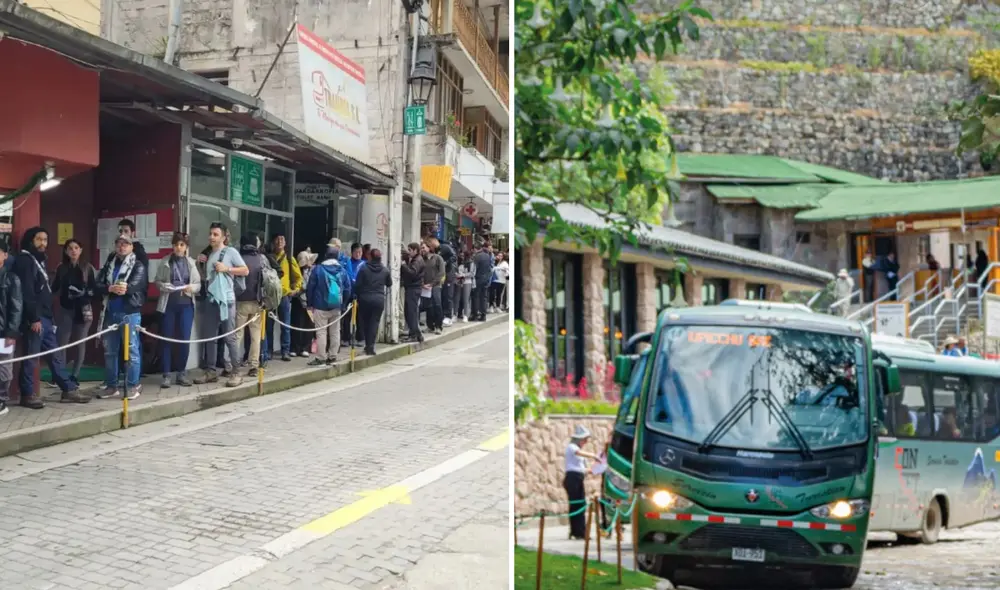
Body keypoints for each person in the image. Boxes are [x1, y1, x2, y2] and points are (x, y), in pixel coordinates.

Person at [13, 227, 87, 407]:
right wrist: (33, 318)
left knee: (55, 355)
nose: (43, 244)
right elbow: (27, 292)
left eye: (45, 240)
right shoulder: (25, 260)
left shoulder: (38, 260)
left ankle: (68, 389)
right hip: (34, 319)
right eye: (39, 239)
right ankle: (28, 394)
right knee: (32, 357)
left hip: (45, 317)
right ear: (30, 240)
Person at [194, 222, 249, 387]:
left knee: (229, 337)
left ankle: (236, 372)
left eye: (216, 234)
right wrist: (201, 264)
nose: (212, 237)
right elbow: (208, 279)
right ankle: (211, 371)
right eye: (211, 234)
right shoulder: (210, 254)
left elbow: (245, 270)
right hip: (211, 299)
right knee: (210, 337)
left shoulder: (231, 252)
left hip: (227, 301)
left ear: (224, 237)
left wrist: (227, 269)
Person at [94, 234, 148, 400]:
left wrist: (124, 288)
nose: (122, 247)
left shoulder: (138, 265)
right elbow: (97, 284)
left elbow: (136, 284)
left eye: (126, 244)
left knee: (131, 350)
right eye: (119, 244)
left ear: (132, 247)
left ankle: (132, 386)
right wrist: (110, 288)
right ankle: (111, 386)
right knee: (110, 351)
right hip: (110, 312)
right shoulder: (109, 265)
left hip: (129, 313)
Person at [155, 232, 200, 388]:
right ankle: (166, 374)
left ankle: (181, 373)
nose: (178, 248)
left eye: (181, 245)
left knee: (184, 339)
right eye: (176, 245)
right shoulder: (165, 261)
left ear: (186, 247)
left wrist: (191, 288)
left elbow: (198, 284)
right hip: (168, 304)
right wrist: (163, 286)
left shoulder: (191, 263)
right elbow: (157, 281)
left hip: (186, 304)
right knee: (166, 338)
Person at [52, 239, 96, 381]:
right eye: (70, 248)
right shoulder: (61, 267)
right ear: (65, 251)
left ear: (81, 250)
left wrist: (83, 292)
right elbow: (55, 287)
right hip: (66, 308)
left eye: (76, 247)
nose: (73, 250)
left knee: (79, 342)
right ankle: (61, 374)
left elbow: (94, 289)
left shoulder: (88, 267)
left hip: (83, 308)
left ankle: (75, 375)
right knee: (62, 342)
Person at [234, 233, 275, 377]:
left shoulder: (238, 258)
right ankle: (253, 365)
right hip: (257, 301)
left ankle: (234, 364)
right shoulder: (261, 259)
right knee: (255, 335)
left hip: (240, 301)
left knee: (237, 335)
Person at [306, 243, 352, 366]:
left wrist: (310, 303)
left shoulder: (318, 269)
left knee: (321, 332)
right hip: (336, 306)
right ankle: (333, 356)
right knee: (335, 331)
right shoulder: (342, 270)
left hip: (320, 306)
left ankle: (321, 357)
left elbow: (310, 287)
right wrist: (343, 304)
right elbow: (348, 289)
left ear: (326, 255)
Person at [266, 233, 302, 362]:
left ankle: (285, 351)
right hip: (270, 296)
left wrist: (295, 289)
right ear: (273, 242)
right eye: (278, 239)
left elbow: (299, 277)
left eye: (282, 239)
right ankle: (268, 351)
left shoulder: (289, 259)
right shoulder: (268, 258)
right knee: (268, 326)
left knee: (285, 325)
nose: (280, 241)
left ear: (285, 243)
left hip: (284, 296)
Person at [564, 425, 601, 540]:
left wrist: (594, 470)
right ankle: (577, 531)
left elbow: (581, 468)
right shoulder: (571, 447)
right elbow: (579, 453)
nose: (585, 442)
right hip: (572, 478)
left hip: (578, 477)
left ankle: (579, 530)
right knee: (576, 504)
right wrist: (594, 456)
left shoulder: (578, 451)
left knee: (580, 504)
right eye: (584, 439)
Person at [354, 248, 391, 355]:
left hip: (365, 298)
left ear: (370, 256)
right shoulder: (385, 270)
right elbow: (389, 283)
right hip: (379, 299)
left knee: (365, 322)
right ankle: (371, 346)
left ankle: (367, 344)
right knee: (374, 322)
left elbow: (357, 285)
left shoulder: (364, 268)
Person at [0, 240, 22, 416]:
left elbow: (16, 307)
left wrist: (11, 332)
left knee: (4, 368)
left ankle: (1, 400)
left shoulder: (11, 278)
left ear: (5, 255)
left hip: (4, 331)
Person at [291, 249, 318, 358]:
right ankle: (295, 348)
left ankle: (305, 347)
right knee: (297, 324)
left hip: (311, 302)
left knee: (309, 325)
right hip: (298, 301)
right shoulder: (296, 271)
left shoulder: (315, 270)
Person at [400, 243, 424, 343]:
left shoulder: (417, 261)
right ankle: (416, 334)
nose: (409, 252)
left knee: (411, 312)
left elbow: (412, 273)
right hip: (412, 288)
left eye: (410, 250)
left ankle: (414, 334)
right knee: (410, 312)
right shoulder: (416, 259)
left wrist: (404, 265)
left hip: (413, 289)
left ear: (415, 250)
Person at [421, 240, 446, 334]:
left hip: (435, 286)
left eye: (424, 247)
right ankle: (430, 326)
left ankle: (438, 326)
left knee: (437, 305)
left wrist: (432, 284)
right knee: (429, 307)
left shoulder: (438, 258)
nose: (422, 250)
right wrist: (423, 284)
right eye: (421, 248)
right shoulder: (423, 259)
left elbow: (441, 272)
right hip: (425, 287)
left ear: (429, 247)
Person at [437, 238, 457, 327]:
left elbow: (454, 257)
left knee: (448, 295)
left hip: (448, 275)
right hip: (441, 275)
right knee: (442, 296)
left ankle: (448, 316)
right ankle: (442, 315)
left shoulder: (445, 247)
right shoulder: (434, 251)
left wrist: (446, 262)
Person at [472, 242, 493, 321]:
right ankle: (483, 315)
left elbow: (474, 269)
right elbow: (489, 269)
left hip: (478, 279)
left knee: (476, 297)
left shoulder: (476, 256)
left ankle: (475, 314)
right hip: (485, 279)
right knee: (484, 297)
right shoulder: (487, 256)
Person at [455, 252, 474, 322]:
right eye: (460, 255)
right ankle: (455, 314)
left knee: (466, 299)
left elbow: (472, 274)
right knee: (457, 299)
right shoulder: (459, 263)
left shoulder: (471, 263)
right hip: (459, 282)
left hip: (467, 282)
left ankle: (466, 315)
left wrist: (463, 275)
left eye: (463, 255)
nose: (461, 257)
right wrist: (457, 275)